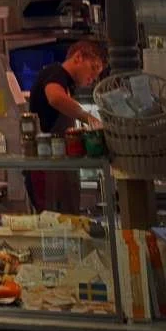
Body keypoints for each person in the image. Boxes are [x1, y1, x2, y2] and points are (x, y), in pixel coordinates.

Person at [28, 38, 107, 214]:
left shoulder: (66, 82)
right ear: (78, 57)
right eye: (93, 68)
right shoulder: (55, 73)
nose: (93, 78)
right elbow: (55, 98)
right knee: (52, 222)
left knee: (66, 221)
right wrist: (90, 119)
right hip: (47, 167)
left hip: (59, 164)